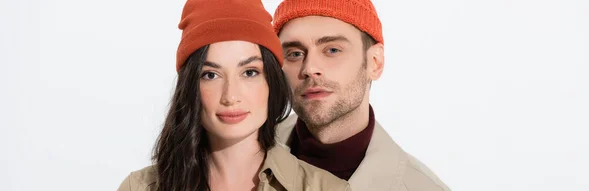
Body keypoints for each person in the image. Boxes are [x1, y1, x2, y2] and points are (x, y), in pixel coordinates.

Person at [117, 0, 350, 190]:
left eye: (249, 72)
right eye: (210, 75)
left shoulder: (326, 188)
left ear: (271, 82)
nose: (230, 96)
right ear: (190, 88)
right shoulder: (140, 187)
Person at [272, 0, 451, 190]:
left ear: (375, 63)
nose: (310, 68)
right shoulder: (246, 151)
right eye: (294, 54)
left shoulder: (419, 186)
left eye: (332, 50)